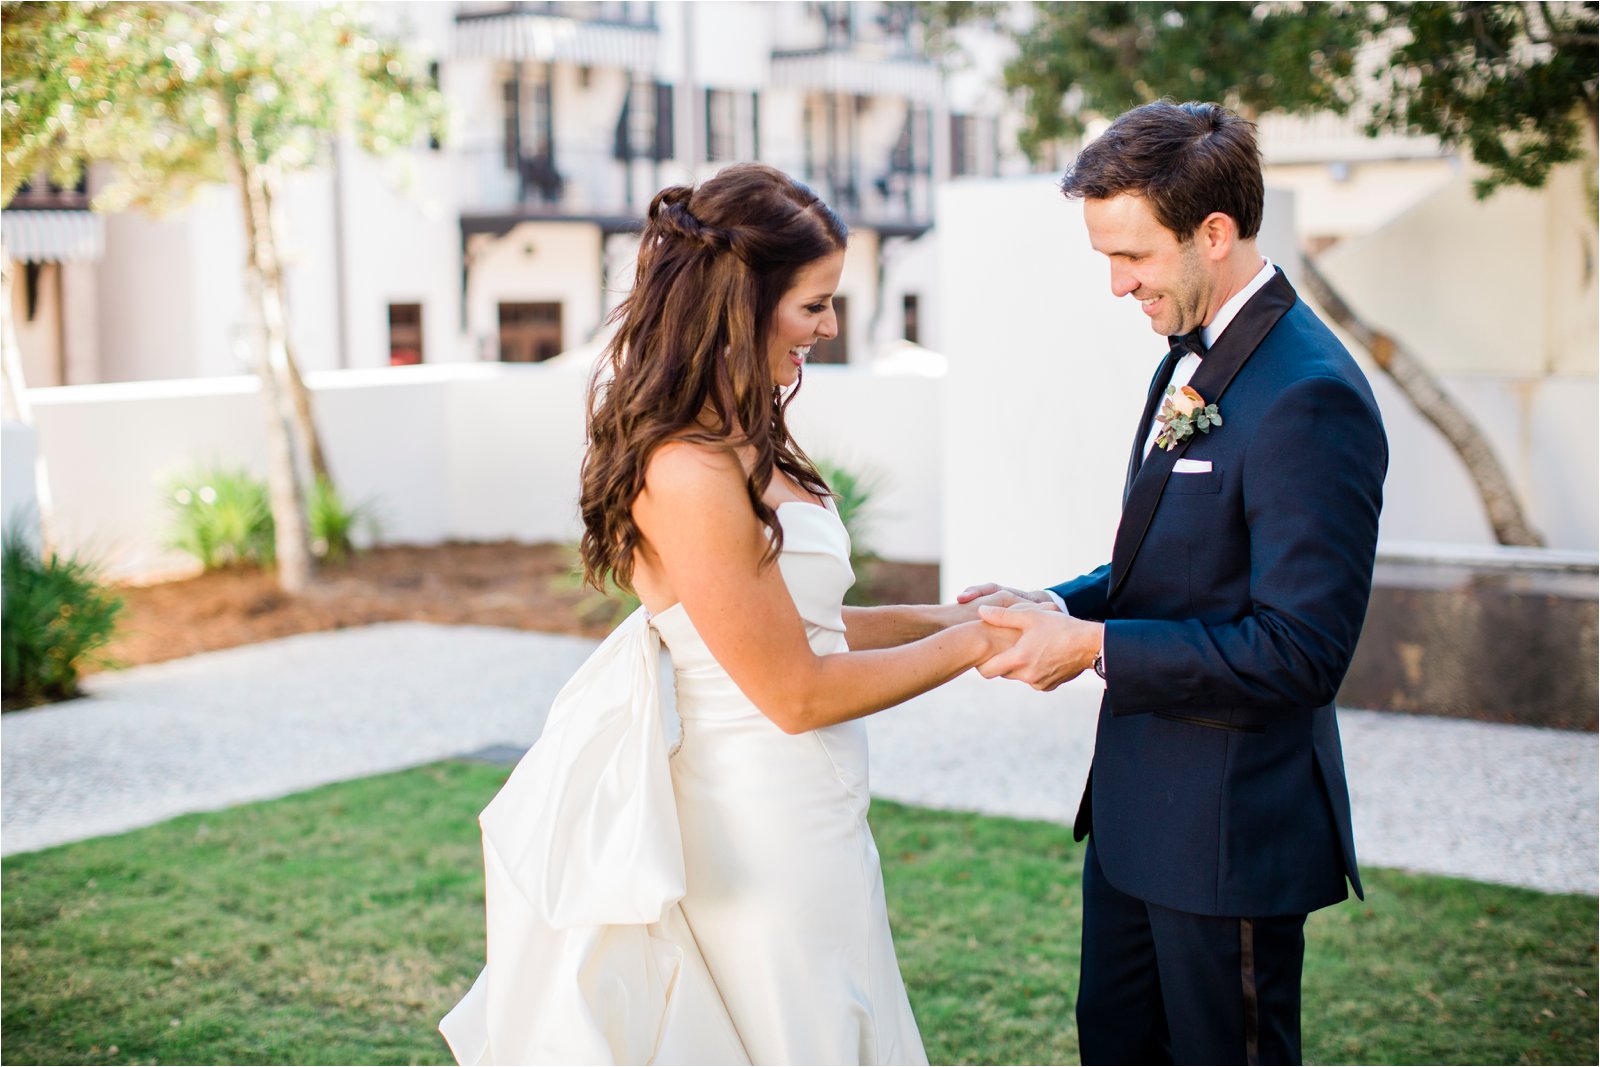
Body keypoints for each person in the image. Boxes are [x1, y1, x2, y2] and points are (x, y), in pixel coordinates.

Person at [440, 162, 1017, 1066]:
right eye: (814, 304)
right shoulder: (689, 470)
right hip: (758, 822)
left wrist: (961, 615)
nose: (829, 326)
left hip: (816, 806)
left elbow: (805, 626)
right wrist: (979, 647)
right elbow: (795, 691)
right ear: (741, 303)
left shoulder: (747, 435)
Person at [960, 101, 1387, 1064]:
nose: (1118, 286)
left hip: (1227, 840)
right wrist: (1054, 605)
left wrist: (1094, 647)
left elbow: (1300, 651)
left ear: (1216, 233)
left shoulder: (1308, 392)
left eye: (1134, 257)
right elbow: (1172, 561)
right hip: (1132, 822)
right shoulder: (1189, 359)